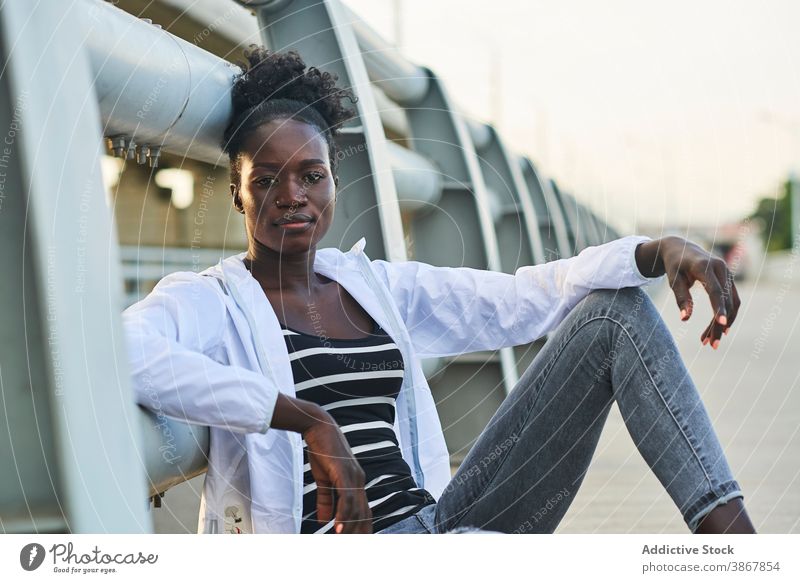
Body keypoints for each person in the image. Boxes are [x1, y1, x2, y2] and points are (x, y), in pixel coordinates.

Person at [123, 45, 756, 535]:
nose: (291, 196)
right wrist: (306, 419)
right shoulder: (211, 300)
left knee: (615, 314)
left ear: (333, 185)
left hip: (438, 526)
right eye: (267, 181)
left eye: (310, 176)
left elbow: (522, 298)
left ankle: (735, 551)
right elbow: (125, 352)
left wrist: (656, 251)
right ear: (237, 190)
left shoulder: (372, 286)